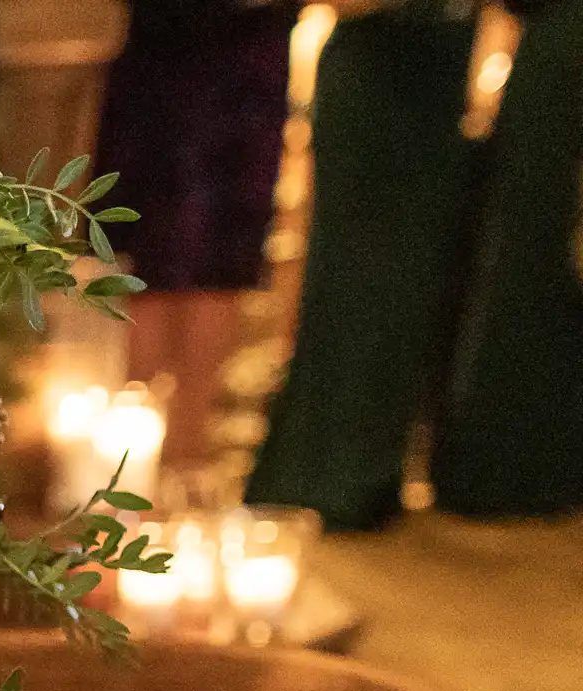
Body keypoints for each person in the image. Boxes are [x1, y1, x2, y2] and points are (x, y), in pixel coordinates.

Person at [247, 0, 583, 527]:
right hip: (379, 59)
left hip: (439, 68)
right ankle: (327, 475)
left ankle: (369, 472)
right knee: (356, 274)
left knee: (408, 284)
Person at [93, 0, 302, 470]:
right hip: (171, 61)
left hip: (243, 72)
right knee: (156, 259)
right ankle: (135, 465)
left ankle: (180, 462)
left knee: (215, 263)